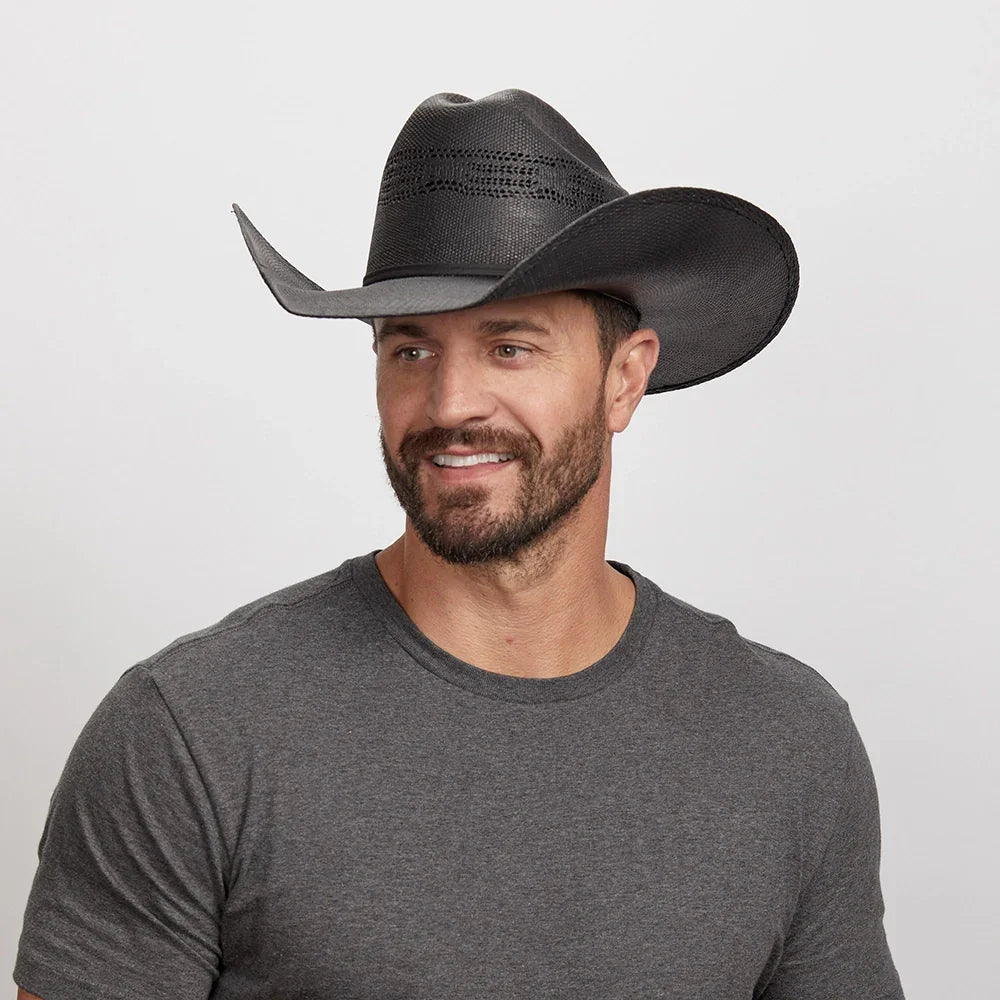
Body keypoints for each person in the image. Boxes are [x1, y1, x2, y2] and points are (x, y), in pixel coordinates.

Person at [13, 89, 904, 1000]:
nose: (448, 405)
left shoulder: (786, 741)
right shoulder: (191, 733)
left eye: (510, 347)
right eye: (410, 351)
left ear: (625, 378)